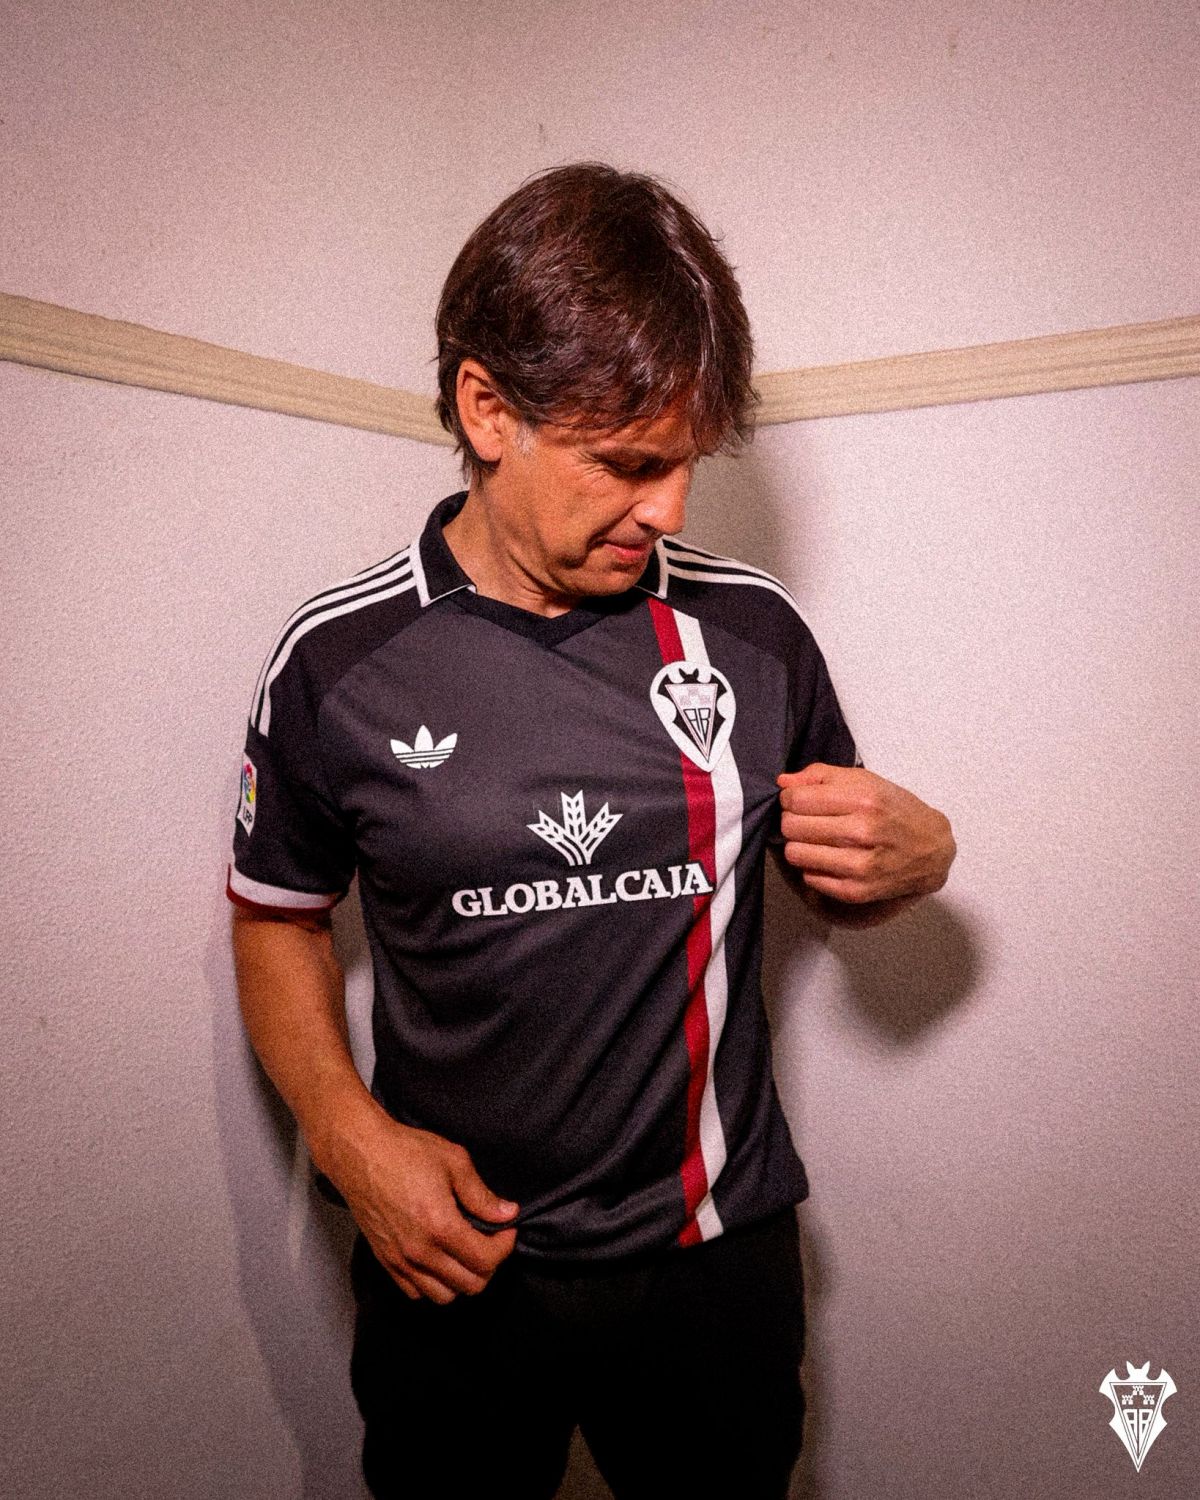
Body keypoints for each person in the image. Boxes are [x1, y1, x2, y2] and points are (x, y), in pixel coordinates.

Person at [228, 162, 955, 1499]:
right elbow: (275, 915)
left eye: (687, 464)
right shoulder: (339, 661)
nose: (669, 508)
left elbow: (839, 861)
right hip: (455, 1265)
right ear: (487, 409)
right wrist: (346, 1135)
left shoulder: (752, 637)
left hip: (712, 1261)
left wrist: (918, 858)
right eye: (628, 464)